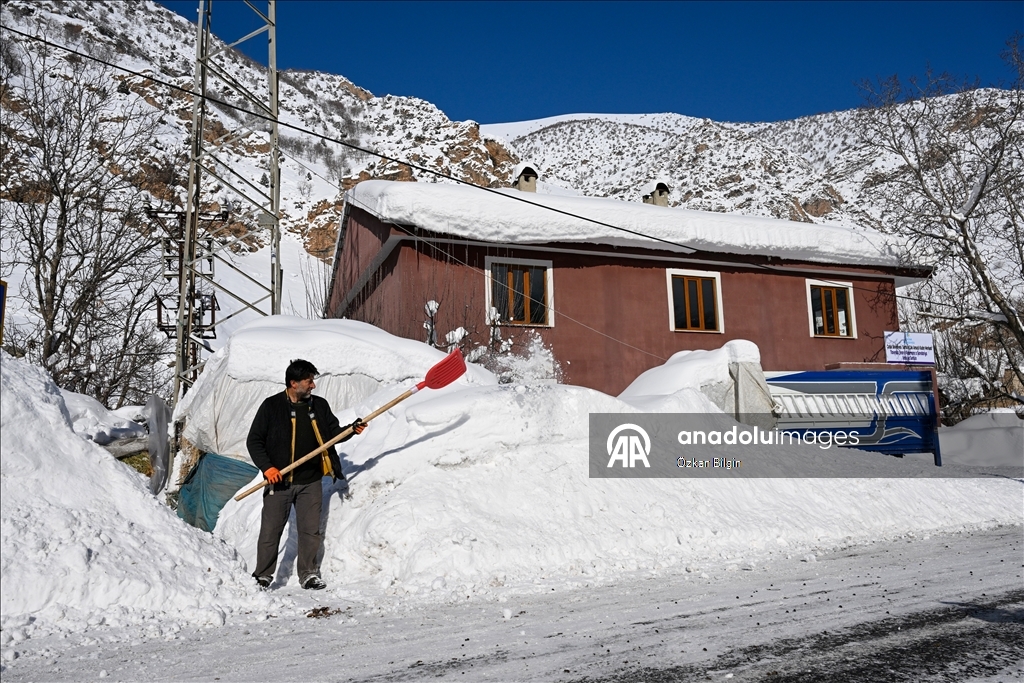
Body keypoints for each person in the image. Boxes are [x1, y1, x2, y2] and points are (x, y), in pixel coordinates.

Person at [246, 359, 365, 590]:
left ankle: (309, 573)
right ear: (294, 383)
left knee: (310, 530)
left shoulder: (318, 406)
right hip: (279, 481)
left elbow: (332, 433)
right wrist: (267, 468)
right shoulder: (272, 406)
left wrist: (351, 430)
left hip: (310, 481)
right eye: (309, 381)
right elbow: (254, 441)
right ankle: (263, 575)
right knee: (271, 531)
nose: (313, 385)